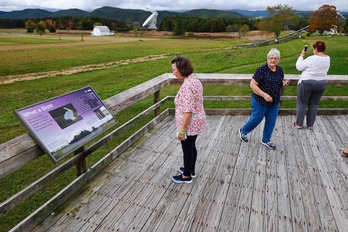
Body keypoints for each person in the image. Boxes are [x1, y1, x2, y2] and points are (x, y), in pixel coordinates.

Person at [239, 48, 289, 150]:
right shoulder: (261, 70)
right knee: (256, 119)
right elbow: (252, 85)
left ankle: (266, 140)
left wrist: (284, 83)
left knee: (271, 121)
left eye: (275, 58)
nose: (273, 60)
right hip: (260, 101)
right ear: (267, 58)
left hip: (274, 102)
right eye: (271, 58)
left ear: (278, 59)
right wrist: (264, 95)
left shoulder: (279, 70)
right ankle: (243, 131)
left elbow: (279, 82)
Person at [171, 56, 206, 184]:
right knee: (191, 147)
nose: (173, 72)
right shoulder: (194, 80)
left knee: (187, 150)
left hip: (190, 124)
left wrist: (181, 131)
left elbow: (188, 112)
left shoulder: (186, 87)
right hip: (197, 121)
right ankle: (191, 169)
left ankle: (186, 176)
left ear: (181, 69)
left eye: (174, 69)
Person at [294, 41, 330, 129]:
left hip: (307, 82)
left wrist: (302, 55)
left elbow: (299, 67)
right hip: (321, 83)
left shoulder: (311, 58)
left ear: (316, 49)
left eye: (314, 48)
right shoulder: (328, 58)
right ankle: (310, 124)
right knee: (314, 104)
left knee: (302, 103)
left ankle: (299, 124)